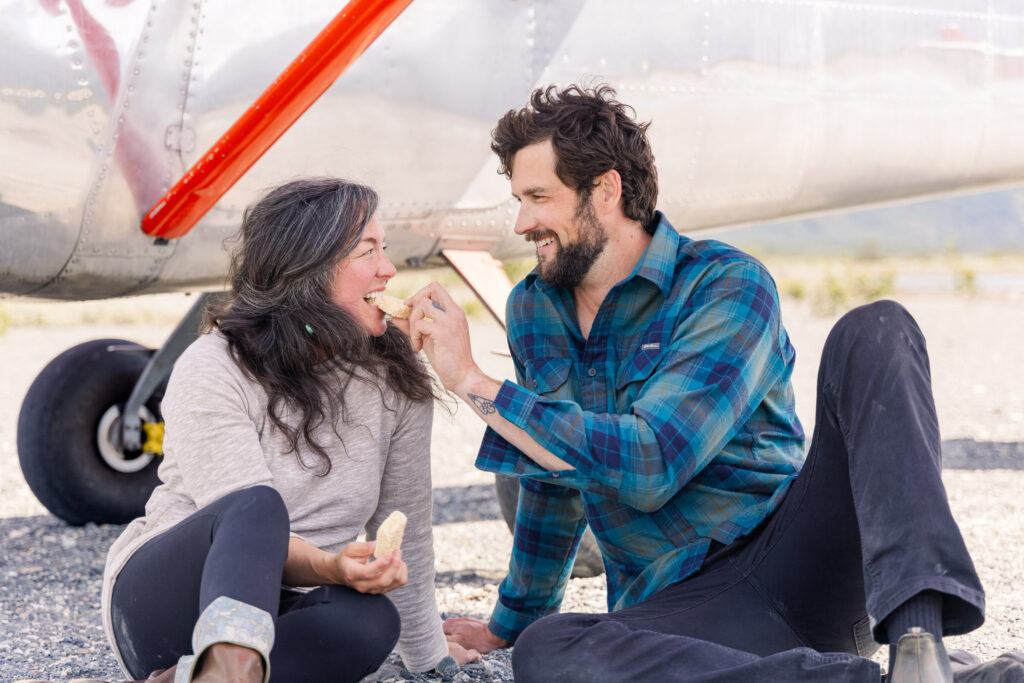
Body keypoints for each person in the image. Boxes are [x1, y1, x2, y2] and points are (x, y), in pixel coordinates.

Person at [395, 85, 1024, 682]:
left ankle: (920, 644)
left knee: (877, 328)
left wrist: (474, 381)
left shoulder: (725, 285)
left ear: (605, 190)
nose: (522, 222)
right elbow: (552, 480)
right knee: (552, 653)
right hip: (685, 609)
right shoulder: (535, 308)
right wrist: (513, 622)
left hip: (799, 560)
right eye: (519, 200)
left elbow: (653, 462)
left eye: (539, 197)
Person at [96, 178, 478, 683]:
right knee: (258, 506)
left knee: (371, 619)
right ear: (310, 269)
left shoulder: (396, 376)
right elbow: (247, 530)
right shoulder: (214, 365)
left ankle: (197, 678)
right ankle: (225, 665)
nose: (388, 269)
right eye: (368, 252)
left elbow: (404, 532)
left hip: (289, 607)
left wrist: (433, 661)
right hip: (167, 604)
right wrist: (332, 569)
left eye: (385, 250)